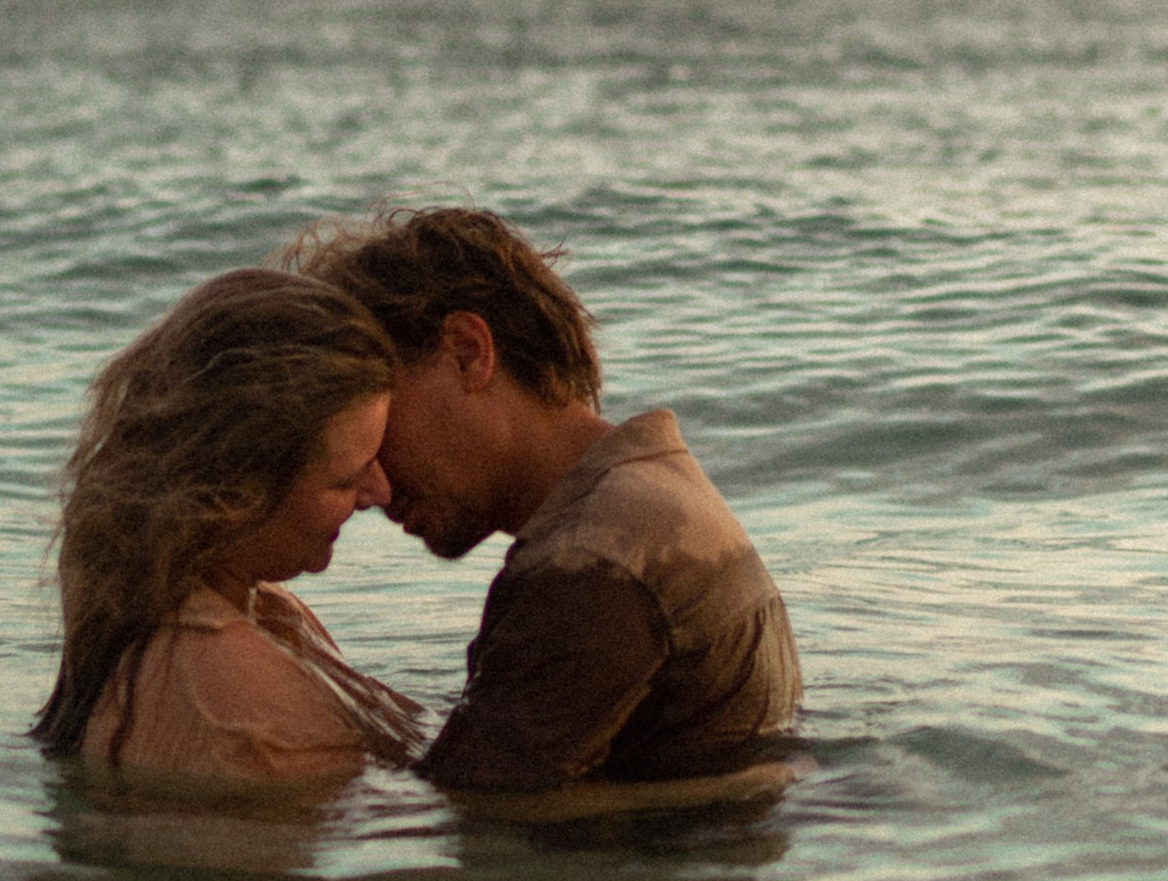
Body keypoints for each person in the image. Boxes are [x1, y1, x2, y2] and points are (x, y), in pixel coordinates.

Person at [285, 208, 801, 795]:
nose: (369, 483)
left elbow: (468, 810)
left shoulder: (590, 564)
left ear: (466, 352)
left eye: (374, 418)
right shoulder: (649, 497)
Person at [31, 267, 422, 788]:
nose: (380, 492)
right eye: (345, 479)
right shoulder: (242, 709)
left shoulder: (246, 610)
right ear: (238, 489)